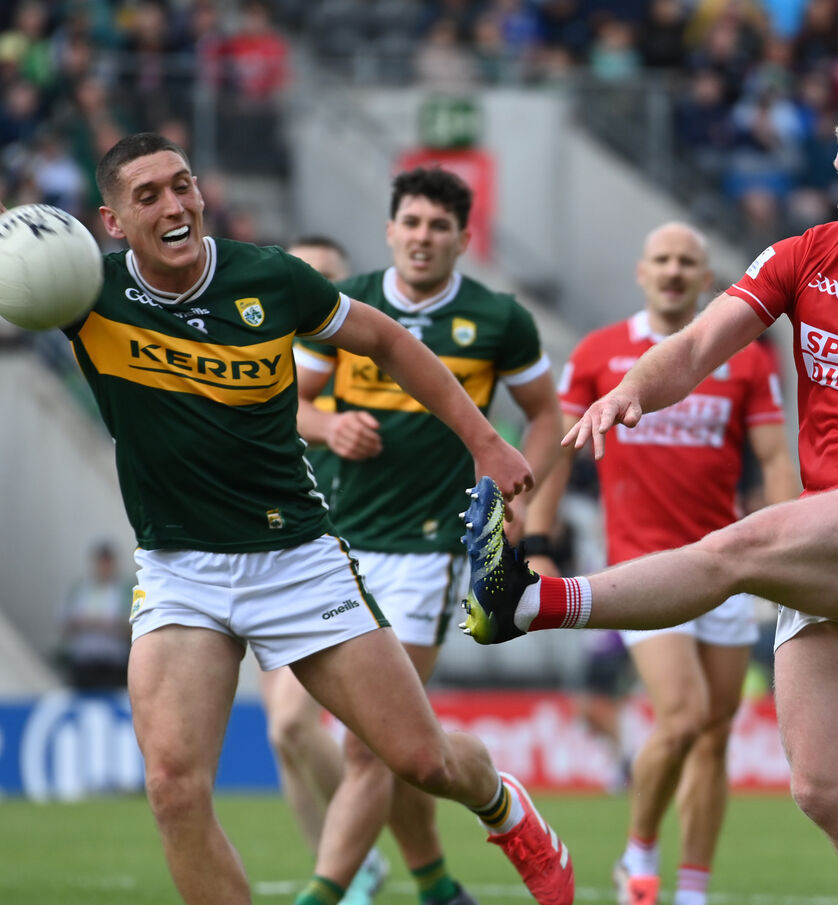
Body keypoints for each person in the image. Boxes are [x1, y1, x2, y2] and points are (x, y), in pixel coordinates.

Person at [461, 87, 838, 905]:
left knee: (741, 545)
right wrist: (631, 391)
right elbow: (695, 345)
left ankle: (524, 602)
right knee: (828, 789)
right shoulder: (807, 254)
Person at [52, 132, 573, 905]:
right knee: (173, 788)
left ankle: (503, 804)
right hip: (178, 568)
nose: (175, 204)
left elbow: (389, 340)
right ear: (113, 222)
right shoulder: (80, 292)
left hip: (296, 558)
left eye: (183, 184)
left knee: (418, 760)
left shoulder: (270, 277)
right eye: (149, 195)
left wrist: (488, 442)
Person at [290, 166, 563, 905]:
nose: (422, 237)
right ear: (389, 230)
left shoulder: (499, 319)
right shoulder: (348, 308)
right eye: (411, 222)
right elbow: (294, 403)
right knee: (383, 743)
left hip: (432, 547)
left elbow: (544, 415)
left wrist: (523, 507)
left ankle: (324, 894)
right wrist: (329, 424)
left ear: (463, 239)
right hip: (336, 542)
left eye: (439, 226)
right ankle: (441, 881)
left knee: (366, 743)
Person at [522, 221, 801, 905]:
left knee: (712, 735)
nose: (675, 271)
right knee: (680, 716)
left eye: (689, 262)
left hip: (726, 567)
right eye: (663, 260)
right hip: (643, 566)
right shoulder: (599, 353)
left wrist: (794, 545)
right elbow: (556, 456)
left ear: (709, 281)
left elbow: (770, 459)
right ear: (642, 273)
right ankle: (639, 859)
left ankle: (693, 891)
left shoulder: (749, 362)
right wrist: (535, 543)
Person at [256, 235, 391, 905]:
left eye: (327, 278)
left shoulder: (358, 358)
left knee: (290, 725)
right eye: (299, 274)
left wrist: (334, 424)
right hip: (260, 556)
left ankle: (349, 860)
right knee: (285, 739)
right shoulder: (249, 361)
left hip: (347, 556)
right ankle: (346, 863)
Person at [56, 540, 133, 690]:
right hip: (84, 662)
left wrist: (106, 625)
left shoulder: (125, 590)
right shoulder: (79, 589)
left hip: (114, 662)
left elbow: (132, 625)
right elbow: (63, 621)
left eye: (107, 563)